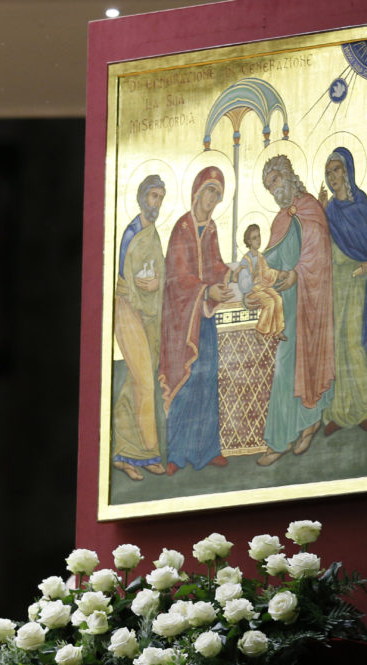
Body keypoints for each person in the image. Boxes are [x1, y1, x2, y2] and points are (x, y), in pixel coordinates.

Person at [257, 156, 335, 466]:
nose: (275, 189)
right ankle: (286, 435)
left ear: (289, 177)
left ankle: (302, 427)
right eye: (269, 185)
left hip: (310, 303)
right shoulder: (280, 220)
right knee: (285, 369)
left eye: (276, 180)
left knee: (295, 365)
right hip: (286, 306)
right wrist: (257, 282)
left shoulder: (310, 209)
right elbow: (270, 262)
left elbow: (319, 257)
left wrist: (297, 274)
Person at [158, 166, 232, 476]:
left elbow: (213, 264)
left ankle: (207, 450)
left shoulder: (211, 229)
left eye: (218, 193)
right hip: (182, 321)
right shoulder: (182, 229)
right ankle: (177, 453)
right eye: (209, 191)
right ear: (197, 192)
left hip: (204, 318)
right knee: (185, 380)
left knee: (207, 377)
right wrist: (205, 290)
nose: (212, 198)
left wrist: (231, 274)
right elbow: (177, 277)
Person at [112, 174, 167, 479]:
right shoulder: (132, 233)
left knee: (135, 380)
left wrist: (157, 283)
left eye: (160, 197)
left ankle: (123, 452)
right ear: (141, 197)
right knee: (144, 380)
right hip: (129, 309)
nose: (156, 202)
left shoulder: (154, 234)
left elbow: (159, 271)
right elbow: (124, 279)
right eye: (152, 196)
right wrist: (140, 290)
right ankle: (148, 454)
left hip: (149, 312)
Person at [319, 147, 367, 436]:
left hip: (355, 280)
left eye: (337, 170)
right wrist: (318, 212)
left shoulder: (361, 202)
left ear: (348, 171)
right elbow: (323, 241)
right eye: (329, 172)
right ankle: (339, 413)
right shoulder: (329, 208)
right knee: (337, 344)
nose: (333, 177)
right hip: (335, 281)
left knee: (353, 342)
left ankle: (361, 410)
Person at [233, 223, 288, 342]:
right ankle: (260, 331)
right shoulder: (245, 261)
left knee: (278, 299)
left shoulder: (260, 257)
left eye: (258, 236)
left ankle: (278, 331)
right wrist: (253, 276)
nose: (258, 240)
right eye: (254, 238)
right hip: (252, 291)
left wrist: (278, 274)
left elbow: (267, 272)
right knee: (269, 302)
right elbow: (243, 285)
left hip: (262, 287)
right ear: (248, 241)